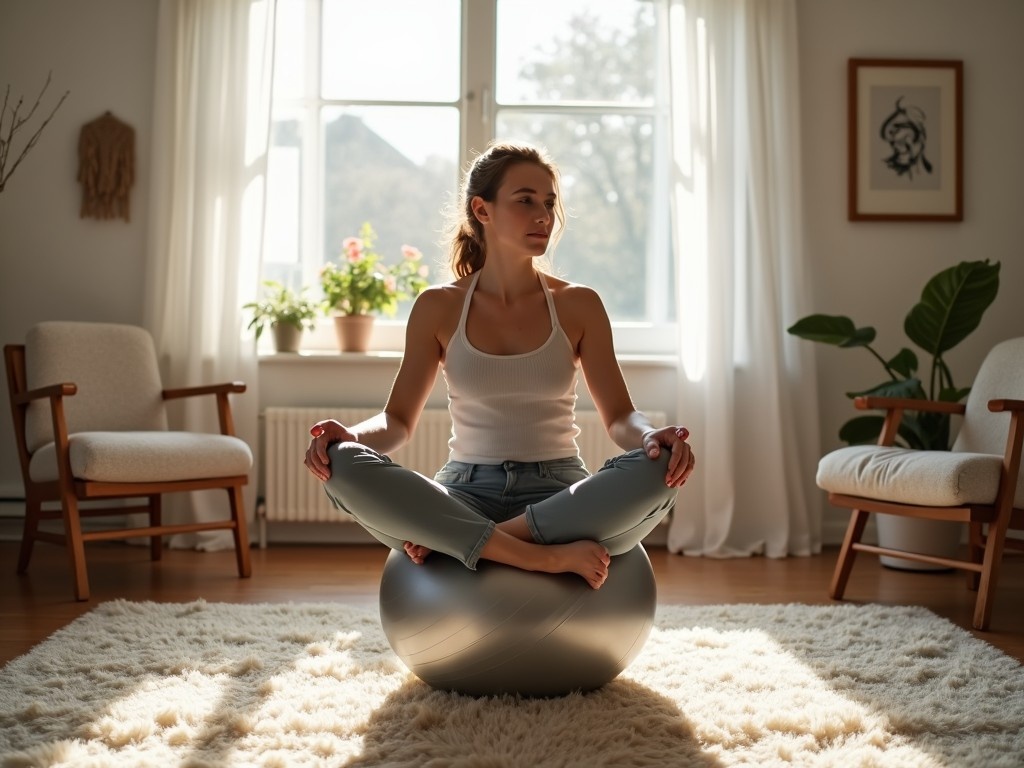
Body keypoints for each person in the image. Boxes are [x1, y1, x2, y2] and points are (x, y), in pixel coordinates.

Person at [304, 141, 695, 589]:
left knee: (660, 464)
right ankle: (541, 558)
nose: (544, 215)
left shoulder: (578, 304)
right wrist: (351, 437)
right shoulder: (438, 306)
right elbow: (396, 422)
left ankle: (467, 543)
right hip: (464, 493)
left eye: (549, 202)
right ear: (482, 210)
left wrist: (649, 437)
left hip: (560, 493)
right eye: (525, 200)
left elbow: (621, 417)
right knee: (340, 462)